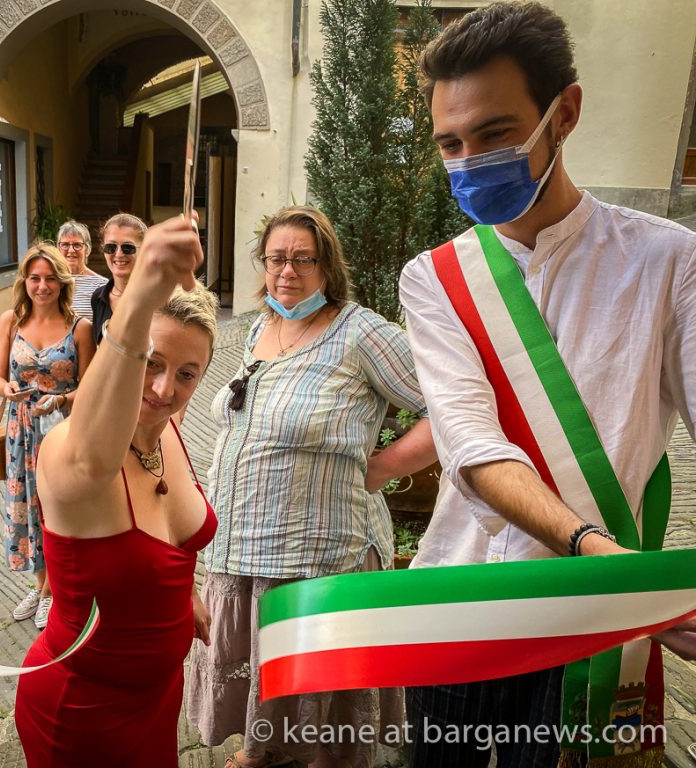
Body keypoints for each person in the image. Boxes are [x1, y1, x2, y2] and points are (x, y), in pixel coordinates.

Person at [398, 3, 696, 767]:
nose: (469, 162)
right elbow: (469, 439)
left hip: (588, 620)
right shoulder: (434, 279)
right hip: (461, 601)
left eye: (495, 134)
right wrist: (597, 549)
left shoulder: (669, 264)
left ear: (564, 113)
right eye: (450, 144)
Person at [187, 205, 437, 768]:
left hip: (320, 556)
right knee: (269, 673)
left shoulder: (360, 331)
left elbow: (449, 406)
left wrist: (387, 465)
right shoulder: (262, 327)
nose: (287, 272)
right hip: (245, 547)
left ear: (327, 266)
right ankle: (268, 750)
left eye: (303, 259)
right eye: (277, 258)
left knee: (323, 705)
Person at [14, 214, 218, 766]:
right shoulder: (67, 450)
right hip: (83, 713)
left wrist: (184, 593)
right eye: (152, 363)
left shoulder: (169, 433)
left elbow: (172, 535)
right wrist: (137, 304)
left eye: (187, 373)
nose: (163, 388)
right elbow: (96, 460)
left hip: (157, 698)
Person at [0, 243, 95, 630]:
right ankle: (40, 585)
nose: (42, 285)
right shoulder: (11, 322)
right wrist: (6, 391)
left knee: (59, 509)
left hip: (64, 428)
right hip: (22, 430)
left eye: (50, 278)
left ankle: (53, 591)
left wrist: (63, 398)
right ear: (25, 281)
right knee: (28, 507)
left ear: (62, 282)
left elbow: (92, 385)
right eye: (35, 278)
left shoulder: (79, 327)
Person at [90, 212, 147, 346]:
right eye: (111, 247)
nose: (119, 254)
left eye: (128, 248)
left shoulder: (157, 298)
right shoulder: (98, 298)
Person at [56, 219, 106, 322]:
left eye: (77, 245)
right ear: (58, 249)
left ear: (87, 250)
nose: (71, 250)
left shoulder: (102, 285)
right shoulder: (50, 281)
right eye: (65, 245)